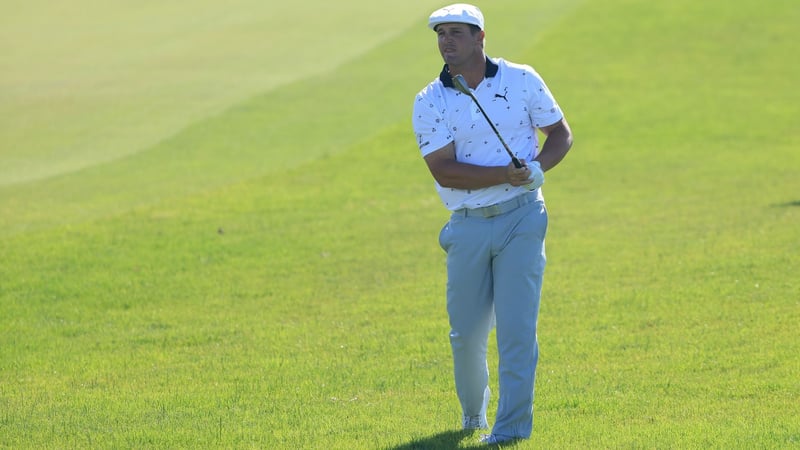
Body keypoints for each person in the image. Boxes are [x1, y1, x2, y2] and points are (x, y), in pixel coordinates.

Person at [411, 3, 573, 445]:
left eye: (456, 33)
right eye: (440, 33)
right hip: (466, 225)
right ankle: (472, 416)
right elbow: (444, 170)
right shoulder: (429, 100)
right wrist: (506, 173)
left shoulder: (522, 79)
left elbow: (560, 133)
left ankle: (511, 430)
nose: (446, 41)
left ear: (481, 37)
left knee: (518, 331)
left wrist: (538, 168)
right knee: (466, 336)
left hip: (522, 216)